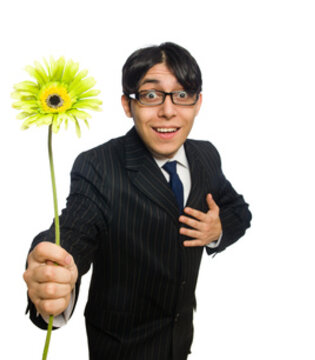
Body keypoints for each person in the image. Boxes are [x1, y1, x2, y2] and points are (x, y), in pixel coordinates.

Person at [22, 42, 253, 359]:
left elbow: (237, 209)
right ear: (127, 105)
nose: (168, 110)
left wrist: (218, 229)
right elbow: (74, 228)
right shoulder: (99, 166)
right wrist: (53, 266)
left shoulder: (206, 155)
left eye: (182, 95)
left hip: (180, 344)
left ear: (198, 103)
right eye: (151, 95)